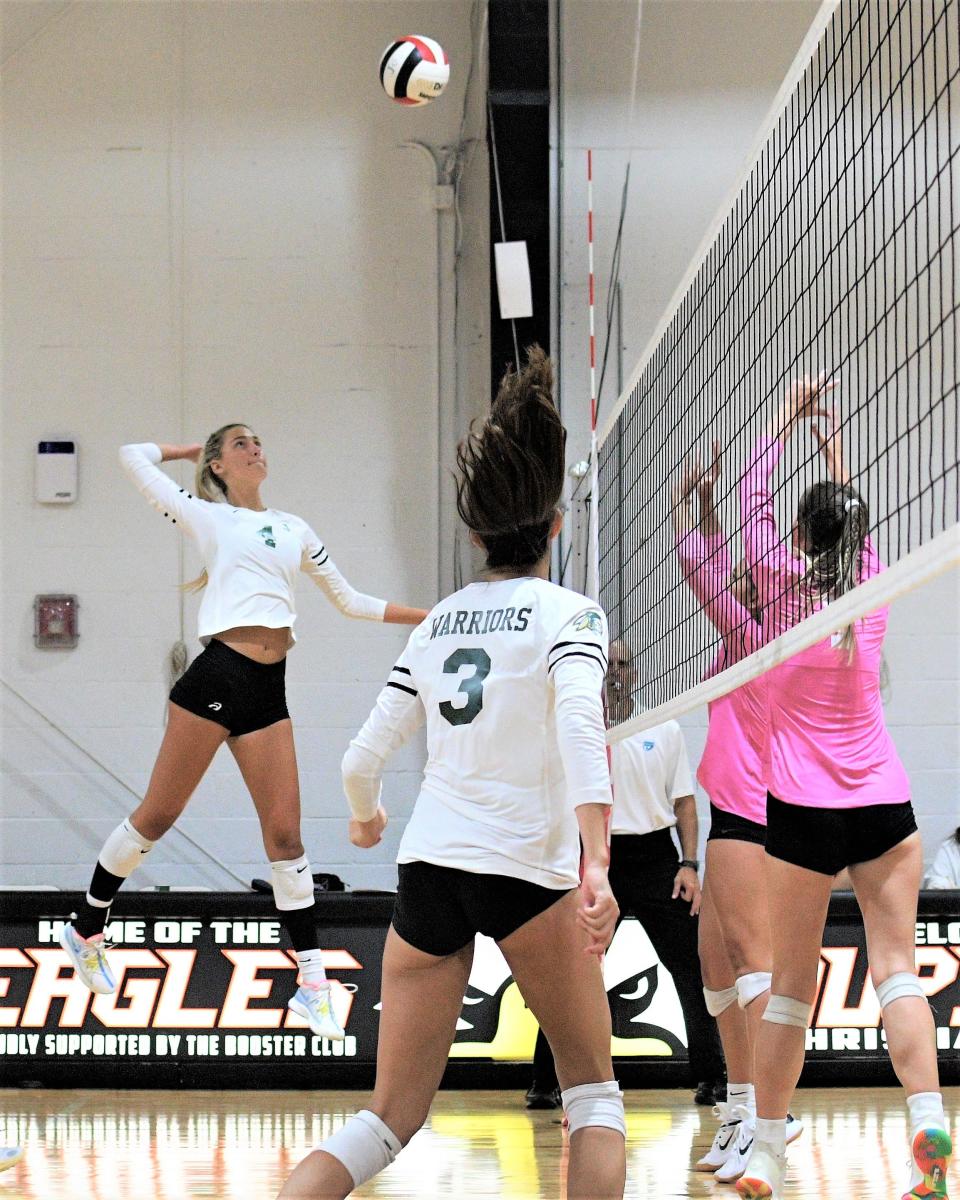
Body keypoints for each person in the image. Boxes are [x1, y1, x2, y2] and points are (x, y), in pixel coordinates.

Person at [278, 348, 626, 1200]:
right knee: (593, 1097)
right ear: (553, 526)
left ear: (473, 534)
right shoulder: (570, 613)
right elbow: (582, 723)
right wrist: (598, 861)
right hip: (526, 872)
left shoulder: (435, 625)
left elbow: (362, 759)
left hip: (430, 868)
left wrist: (364, 816)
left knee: (387, 1120)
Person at [59, 425, 427, 1040]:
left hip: (267, 690)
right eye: (239, 444)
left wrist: (435, 613)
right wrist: (185, 451)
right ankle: (86, 925)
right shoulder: (207, 517)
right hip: (216, 676)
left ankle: (312, 985)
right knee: (156, 816)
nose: (255, 448)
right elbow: (131, 456)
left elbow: (352, 601)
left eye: (259, 441)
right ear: (219, 465)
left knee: (286, 836)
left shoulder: (294, 527)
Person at [735, 376, 951, 1200]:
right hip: (886, 810)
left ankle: (765, 1154)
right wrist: (833, 455)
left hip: (803, 813)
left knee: (791, 987)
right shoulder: (873, 590)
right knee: (897, 971)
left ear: (798, 534)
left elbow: (755, 499)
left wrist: (786, 420)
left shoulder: (784, 590)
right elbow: (851, 529)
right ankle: (928, 1122)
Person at [525, 638, 726, 1111]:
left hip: (657, 858)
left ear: (635, 672)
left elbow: (684, 804)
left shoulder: (665, 725)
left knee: (690, 970)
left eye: (623, 664)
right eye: (607, 665)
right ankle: (546, 1081)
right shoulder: (573, 729)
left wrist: (689, 863)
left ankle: (713, 1078)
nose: (616, 672)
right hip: (596, 856)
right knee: (571, 971)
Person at [674, 449, 802, 1181]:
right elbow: (719, 574)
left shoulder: (759, 638)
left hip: (755, 817)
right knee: (715, 972)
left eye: (753, 579)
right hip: (732, 815)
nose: (741, 583)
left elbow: (704, 574)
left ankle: (769, 1119)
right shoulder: (740, 636)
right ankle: (739, 1109)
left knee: (752, 968)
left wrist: (698, 511)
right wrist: (708, 510)